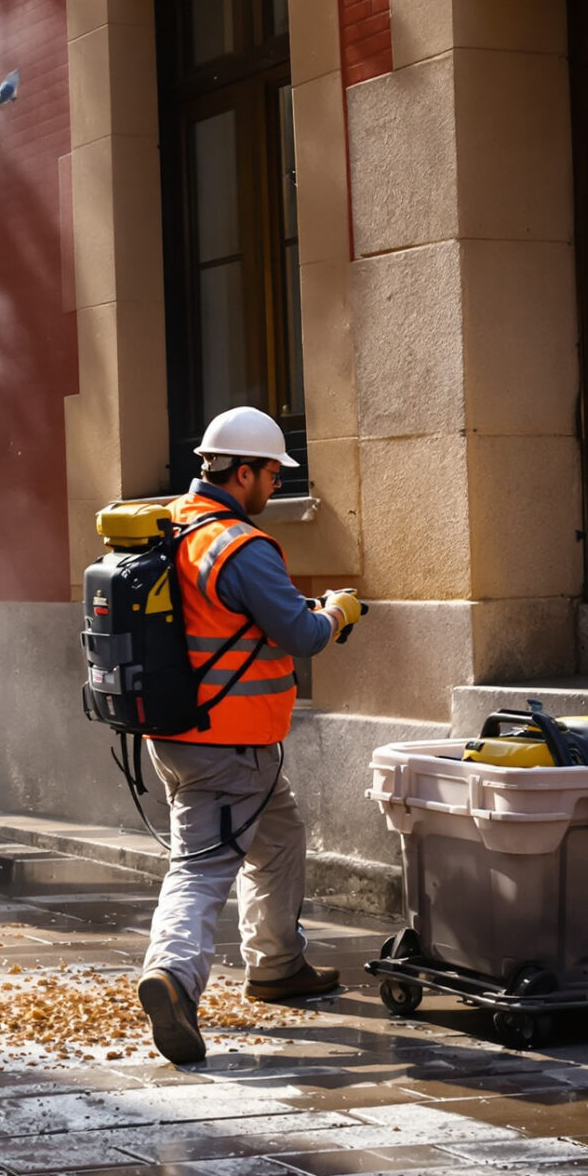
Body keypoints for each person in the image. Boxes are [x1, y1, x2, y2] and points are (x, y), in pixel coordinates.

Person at [134, 406, 363, 1065]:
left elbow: (215, 619)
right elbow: (302, 634)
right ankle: (173, 977)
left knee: (279, 833)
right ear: (242, 472)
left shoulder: (172, 524)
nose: (275, 485)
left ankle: (278, 964)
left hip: (175, 732)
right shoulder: (241, 545)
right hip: (227, 741)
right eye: (272, 473)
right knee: (202, 866)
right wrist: (338, 610)